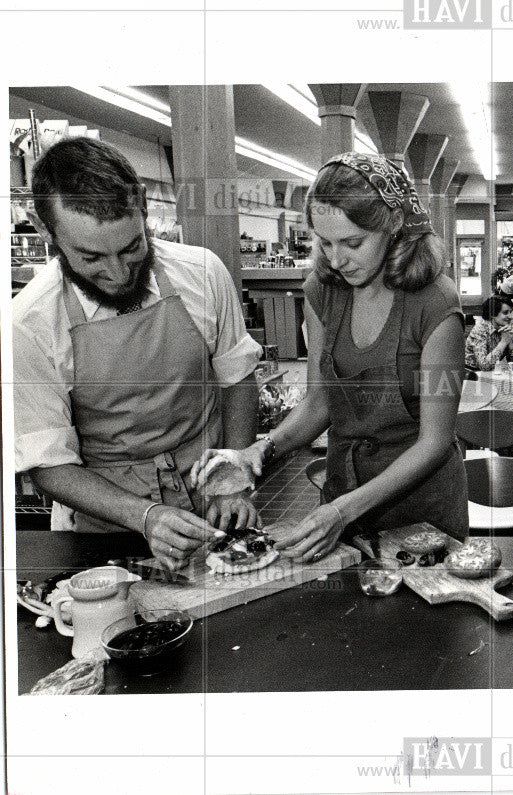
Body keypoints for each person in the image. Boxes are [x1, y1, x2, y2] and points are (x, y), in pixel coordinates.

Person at [195, 153, 469, 558]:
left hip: (421, 508)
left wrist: (342, 511)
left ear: (393, 224)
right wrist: (260, 450)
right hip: (344, 491)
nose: (337, 260)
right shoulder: (323, 291)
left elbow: (434, 440)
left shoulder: (436, 305)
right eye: (325, 242)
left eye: (353, 243)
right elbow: (320, 401)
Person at [13, 137, 261, 570]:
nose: (117, 273)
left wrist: (233, 473)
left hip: (213, 497)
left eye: (131, 247)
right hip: (105, 523)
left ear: (143, 206)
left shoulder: (202, 272)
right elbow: (47, 464)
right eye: (90, 256)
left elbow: (237, 378)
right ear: (44, 229)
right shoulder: (28, 325)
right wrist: (146, 516)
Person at [465, 295, 513, 370]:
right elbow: (484, 366)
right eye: (505, 313)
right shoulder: (480, 330)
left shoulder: (505, 329)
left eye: (510, 312)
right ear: (492, 315)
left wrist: (510, 342)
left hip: (492, 372)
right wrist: (504, 342)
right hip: (473, 374)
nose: (511, 316)